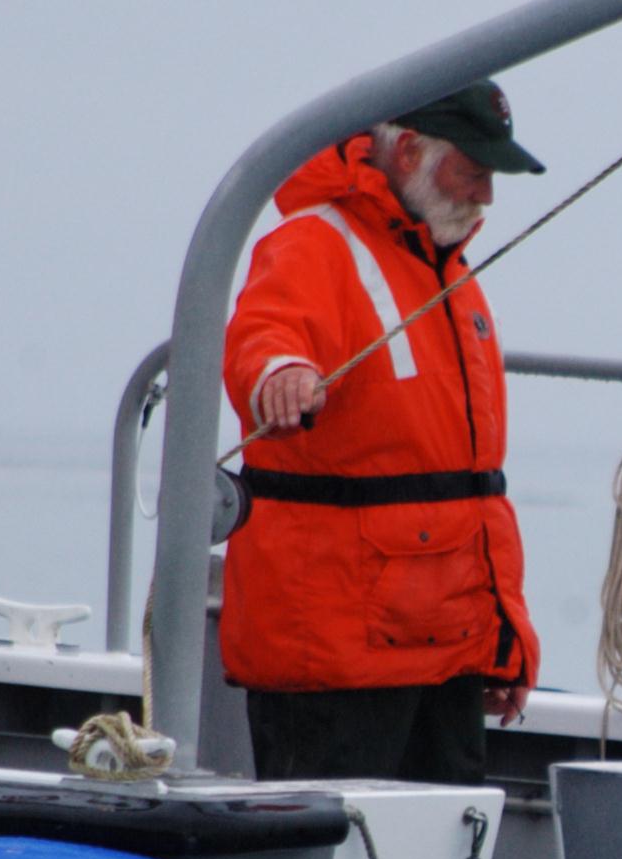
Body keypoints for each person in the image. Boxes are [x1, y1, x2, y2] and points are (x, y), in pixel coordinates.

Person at [218, 80, 545, 783]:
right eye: (474, 170)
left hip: (443, 645)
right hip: (338, 652)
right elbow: (264, 336)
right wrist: (280, 374)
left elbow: (474, 491)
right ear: (408, 153)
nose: (486, 194)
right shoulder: (314, 244)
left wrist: (504, 639)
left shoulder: (446, 270)